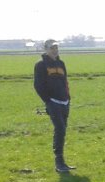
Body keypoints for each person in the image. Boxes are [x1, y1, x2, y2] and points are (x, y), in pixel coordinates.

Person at [33, 39, 74, 173]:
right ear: (46, 49)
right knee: (60, 129)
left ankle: (62, 162)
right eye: (52, 48)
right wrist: (48, 101)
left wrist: (68, 98)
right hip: (53, 102)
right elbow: (38, 85)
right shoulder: (40, 65)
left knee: (62, 130)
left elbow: (65, 82)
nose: (55, 50)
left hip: (64, 102)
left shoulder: (61, 64)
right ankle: (59, 162)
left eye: (56, 48)